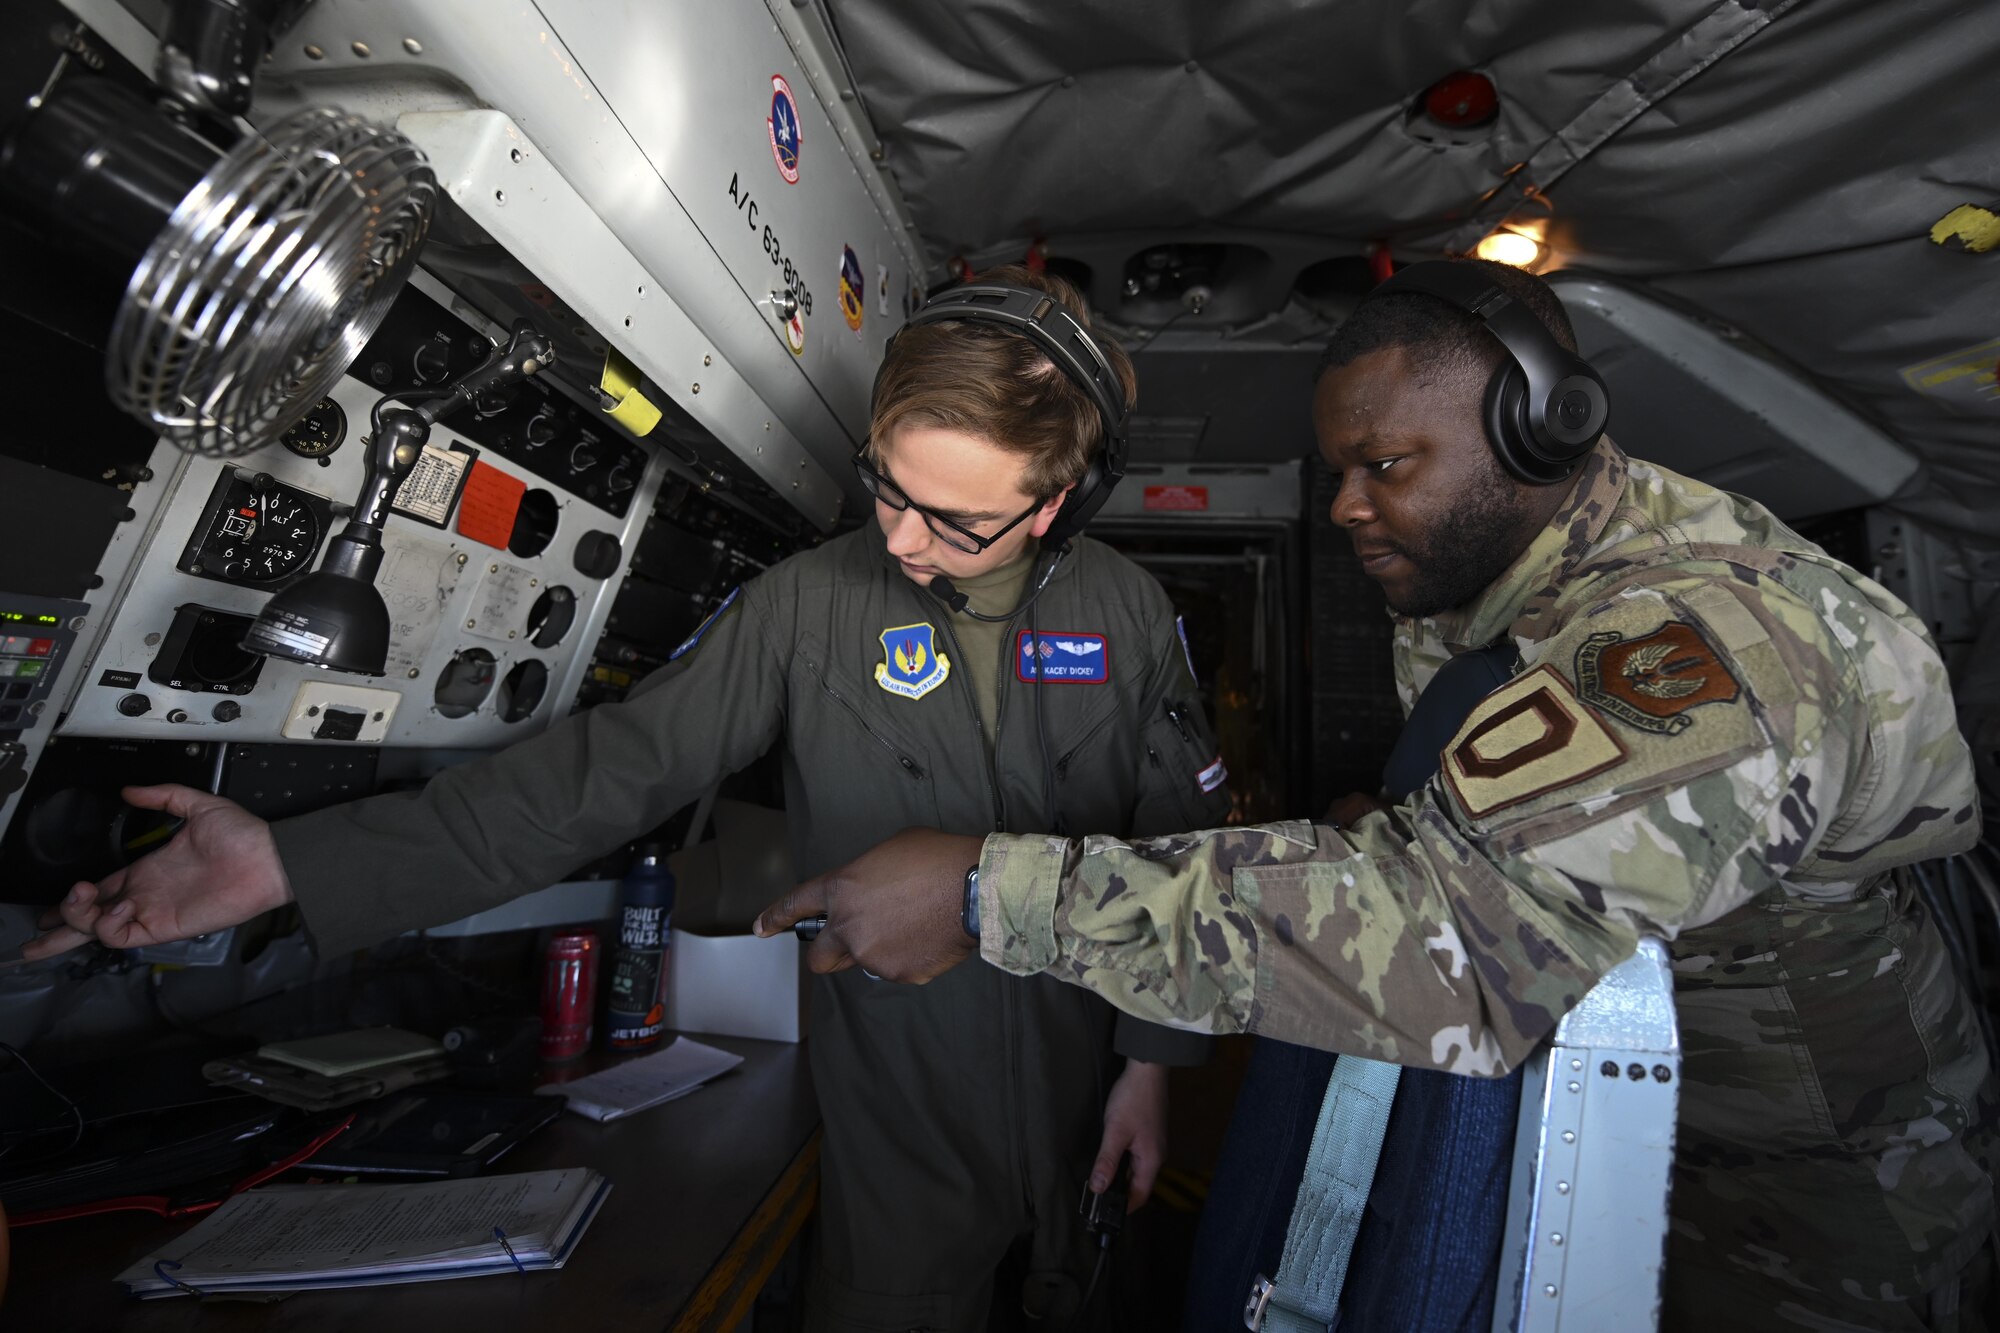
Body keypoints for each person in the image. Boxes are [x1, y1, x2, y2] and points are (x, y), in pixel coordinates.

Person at [755, 258, 1998, 1330]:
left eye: (1384, 462)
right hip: (1623, 1126)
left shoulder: (1707, 639)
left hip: (1810, 1188)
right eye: (1337, 468)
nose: (1345, 504)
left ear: (1538, 429)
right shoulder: (1501, 590)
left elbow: (1458, 944)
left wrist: (986, 893)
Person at [28, 266, 1233, 1332]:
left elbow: (1176, 848)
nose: (904, 540)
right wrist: (296, 865)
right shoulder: (805, 606)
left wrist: (1151, 1066)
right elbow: (600, 777)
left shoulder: (1126, 614)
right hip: (898, 1102)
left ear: (1060, 497)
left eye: (955, 521)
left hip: (1089, 1066)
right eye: (887, 488)